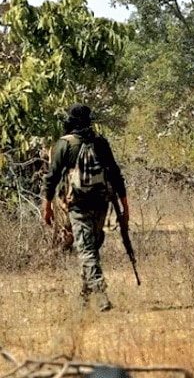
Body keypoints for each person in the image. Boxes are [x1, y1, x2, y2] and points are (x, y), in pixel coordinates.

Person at [42, 103, 129, 311]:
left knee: (87, 249)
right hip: (101, 203)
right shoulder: (100, 142)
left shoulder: (64, 144)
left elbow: (51, 178)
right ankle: (84, 296)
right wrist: (125, 206)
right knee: (91, 247)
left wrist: (47, 206)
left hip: (77, 205)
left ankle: (100, 295)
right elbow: (116, 175)